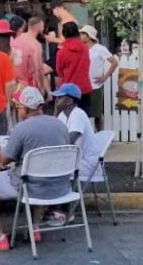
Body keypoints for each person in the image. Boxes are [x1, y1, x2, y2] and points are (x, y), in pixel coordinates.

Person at [0, 86, 70, 251]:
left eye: (18, 107)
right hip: (59, 185)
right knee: (40, 173)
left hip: (29, 186)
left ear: (27, 109)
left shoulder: (22, 129)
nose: (17, 110)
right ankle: (34, 228)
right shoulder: (60, 125)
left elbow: (5, 160)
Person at [49, 83, 100, 226]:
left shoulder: (78, 115)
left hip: (88, 163)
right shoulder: (62, 115)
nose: (56, 100)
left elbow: (68, 141)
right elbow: (53, 133)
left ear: (69, 101)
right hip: (74, 159)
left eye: (59, 98)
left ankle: (65, 213)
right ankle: (52, 208)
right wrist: (54, 113)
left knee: (58, 169)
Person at [80, 25, 118, 131]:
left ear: (89, 36)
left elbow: (114, 62)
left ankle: (99, 134)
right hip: (82, 84)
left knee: (96, 113)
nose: (81, 36)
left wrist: (105, 77)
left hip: (95, 85)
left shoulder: (100, 49)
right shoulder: (81, 48)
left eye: (83, 34)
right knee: (83, 113)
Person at [55, 22, 93, 116]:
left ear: (64, 35)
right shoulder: (85, 49)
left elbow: (59, 72)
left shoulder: (61, 52)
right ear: (77, 33)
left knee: (67, 118)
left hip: (67, 90)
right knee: (83, 117)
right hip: (84, 88)